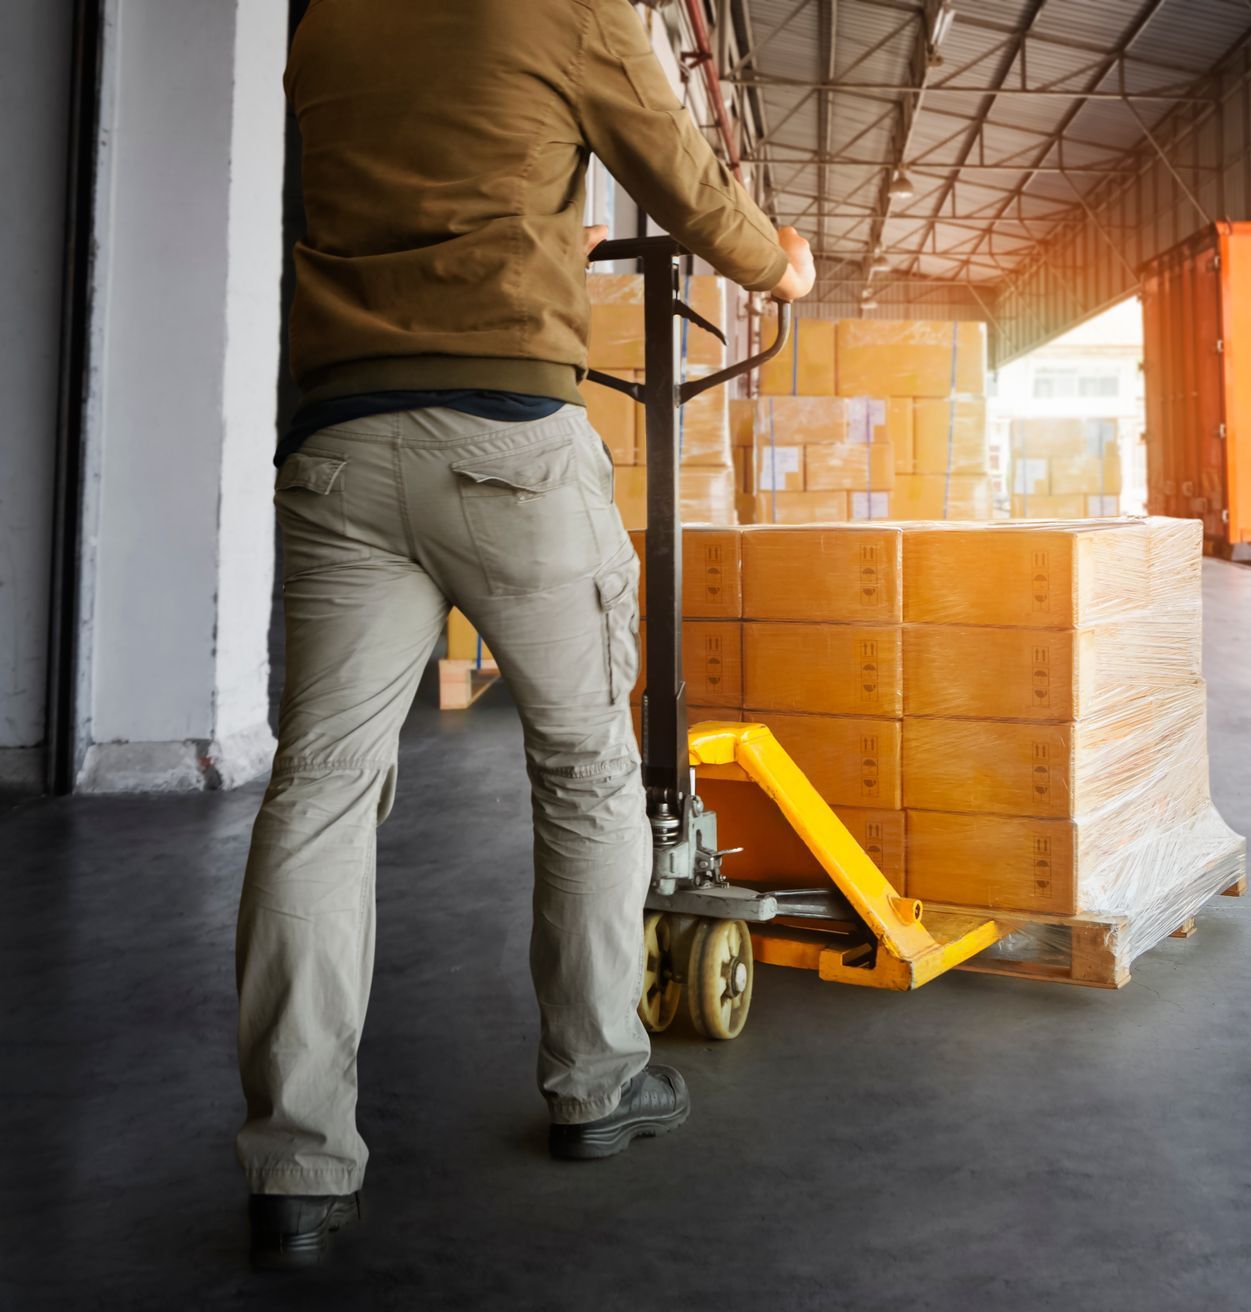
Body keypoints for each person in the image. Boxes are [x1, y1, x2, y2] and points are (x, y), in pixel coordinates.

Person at [238, 0, 814, 1268]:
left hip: (339, 437)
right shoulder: (566, 4)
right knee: (584, 762)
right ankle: (598, 1078)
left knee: (320, 792)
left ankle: (294, 1158)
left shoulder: (326, 21)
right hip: (505, 434)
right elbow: (684, 178)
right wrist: (781, 261)